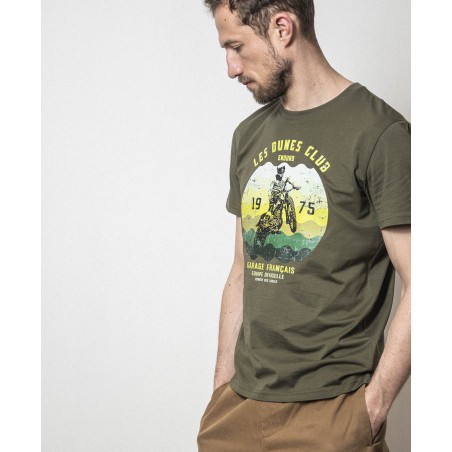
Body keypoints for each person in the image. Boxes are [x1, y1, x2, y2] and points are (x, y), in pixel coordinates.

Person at [197, 1, 410, 451]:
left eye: (236, 47)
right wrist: (221, 390)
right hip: (239, 409)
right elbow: (241, 270)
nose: (231, 69)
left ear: (282, 27)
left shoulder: (380, 133)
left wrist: (373, 407)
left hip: (331, 414)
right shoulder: (248, 136)